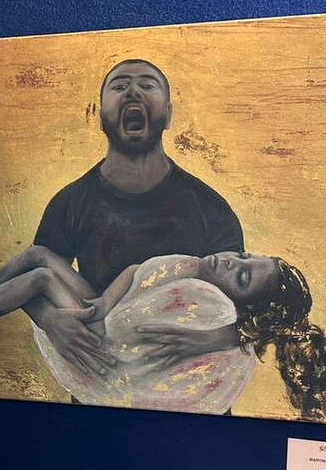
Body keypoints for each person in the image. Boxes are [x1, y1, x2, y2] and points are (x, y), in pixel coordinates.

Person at [0, 246, 326, 421]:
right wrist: (103, 301)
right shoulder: (196, 268)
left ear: (244, 307)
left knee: (41, 278)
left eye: (242, 276)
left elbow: (125, 328)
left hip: (106, 348)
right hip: (110, 312)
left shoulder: (211, 305)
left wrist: (99, 314)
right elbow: (138, 271)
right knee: (37, 254)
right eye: (243, 256)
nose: (231, 261)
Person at [29, 59, 245, 376]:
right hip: (102, 378)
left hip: (191, 388)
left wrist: (217, 338)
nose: (132, 91)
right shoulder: (71, 202)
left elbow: (251, 303)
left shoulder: (210, 208)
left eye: (146, 84)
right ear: (99, 116)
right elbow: (33, 280)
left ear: (168, 115)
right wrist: (49, 320)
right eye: (119, 86)